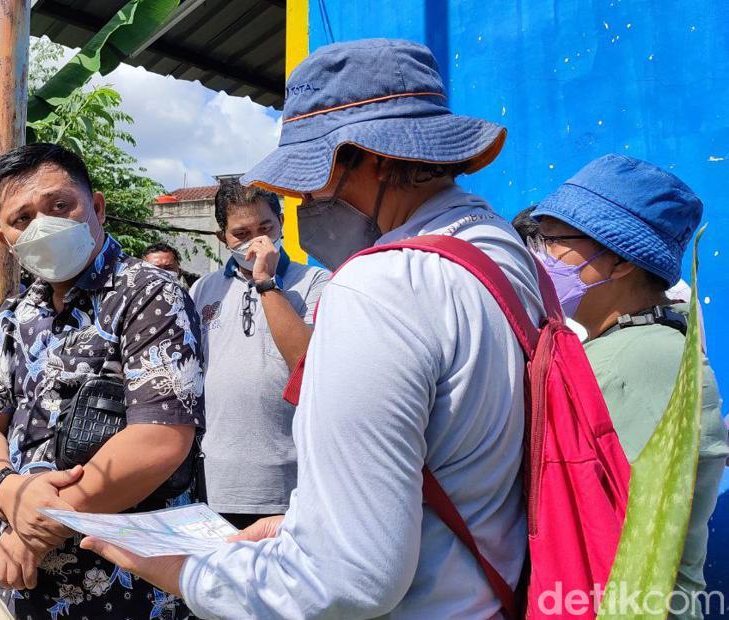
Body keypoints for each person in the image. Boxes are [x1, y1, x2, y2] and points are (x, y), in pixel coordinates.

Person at [84, 38, 545, 618]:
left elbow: (349, 578)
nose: (303, 200)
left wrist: (189, 572)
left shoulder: (379, 287)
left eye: (314, 177)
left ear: (374, 157)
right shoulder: (497, 253)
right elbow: (450, 465)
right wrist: (298, 524)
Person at [0, 143, 204, 619]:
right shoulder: (16, 313)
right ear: (4, 235)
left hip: (128, 587)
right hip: (23, 583)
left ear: (96, 207)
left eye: (58, 205)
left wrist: (37, 525)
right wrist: (8, 491)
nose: (42, 225)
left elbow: (159, 440)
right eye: (21, 217)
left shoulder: (149, 293)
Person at [529, 154, 728, 619]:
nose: (541, 255)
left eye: (553, 240)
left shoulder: (633, 358)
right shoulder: (656, 341)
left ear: (617, 261)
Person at [189, 179, 329, 529]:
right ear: (223, 238)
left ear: (281, 222)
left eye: (265, 228)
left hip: (290, 484)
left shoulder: (315, 282)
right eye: (241, 233)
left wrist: (265, 281)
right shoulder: (204, 289)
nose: (256, 241)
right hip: (217, 482)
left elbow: (306, 364)